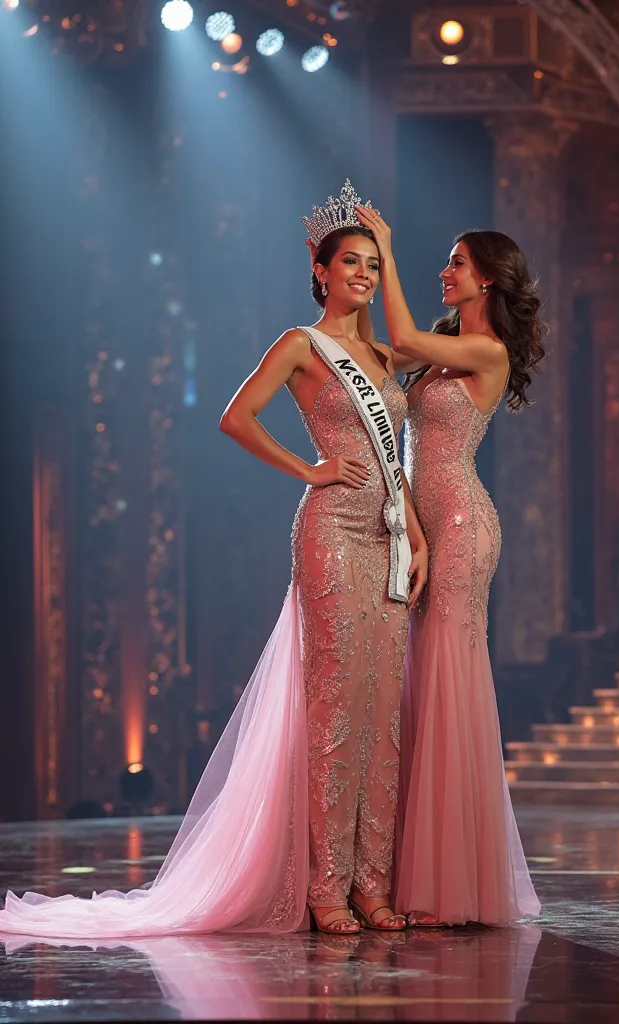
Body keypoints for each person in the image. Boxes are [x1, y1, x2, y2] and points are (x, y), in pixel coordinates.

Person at [0, 182, 427, 941]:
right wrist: (310, 470)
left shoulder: (387, 355)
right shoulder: (301, 345)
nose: (362, 275)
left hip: (388, 538)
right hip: (330, 533)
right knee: (334, 714)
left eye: (372, 263)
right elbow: (235, 417)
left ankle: (371, 884)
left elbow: (400, 455)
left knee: (381, 715)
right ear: (322, 271)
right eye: (352, 263)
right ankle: (326, 888)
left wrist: (418, 535)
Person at [356, 205, 543, 927]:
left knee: (443, 682)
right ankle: (401, 870)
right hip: (416, 525)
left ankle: (445, 882)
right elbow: (380, 354)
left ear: (486, 279)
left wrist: (387, 251)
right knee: (415, 684)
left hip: (462, 527)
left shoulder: (487, 352)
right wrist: (347, 289)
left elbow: (397, 337)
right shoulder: (441, 346)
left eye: (456, 263)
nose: (446, 271)